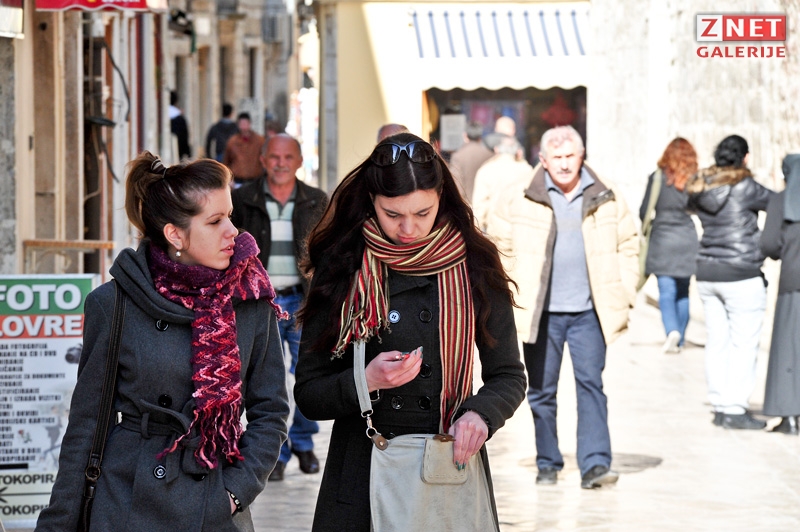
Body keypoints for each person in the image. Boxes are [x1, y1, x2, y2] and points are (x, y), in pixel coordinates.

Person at [35, 152, 289, 531]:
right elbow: (86, 423)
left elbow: (271, 411)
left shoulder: (249, 299)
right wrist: (57, 523)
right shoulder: (114, 303)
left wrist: (234, 493)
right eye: (215, 221)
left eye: (230, 216)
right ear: (175, 234)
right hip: (126, 499)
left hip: (214, 502)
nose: (233, 231)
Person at [293, 132, 526, 530]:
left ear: (441, 198)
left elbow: (508, 375)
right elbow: (309, 393)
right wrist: (366, 380)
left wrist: (480, 415)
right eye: (392, 214)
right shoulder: (342, 267)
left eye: (422, 212)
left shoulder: (475, 264)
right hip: (362, 473)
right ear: (372, 201)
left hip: (446, 469)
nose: (408, 228)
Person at [501, 125, 639, 489]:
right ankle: (548, 462)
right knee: (541, 391)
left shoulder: (606, 193)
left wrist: (623, 290)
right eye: (556, 157)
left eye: (570, 156)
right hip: (540, 312)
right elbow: (498, 244)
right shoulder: (519, 195)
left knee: (591, 385)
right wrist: (511, 292)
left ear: (582, 156)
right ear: (543, 160)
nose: (563, 164)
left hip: (589, 312)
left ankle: (595, 464)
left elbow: (629, 243)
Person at [231, 134, 328, 481]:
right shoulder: (243, 199)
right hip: (260, 302)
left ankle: (302, 441)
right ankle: (278, 452)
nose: (281, 163)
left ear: (300, 161)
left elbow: (328, 251)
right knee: (267, 382)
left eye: (288, 157)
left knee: (308, 374)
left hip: (303, 301)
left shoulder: (317, 200)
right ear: (263, 160)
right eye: (274, 156)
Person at [687, 134, 773, 430]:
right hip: (741, 272)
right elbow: (779, 204)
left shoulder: (701, 184)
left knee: (717, 341)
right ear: (745, 157)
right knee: (743, 343)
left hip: (707, 271)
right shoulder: (746, 186)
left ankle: (720, 405)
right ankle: (735, 408)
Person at [638, 138, 699, 354]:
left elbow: (644, 210)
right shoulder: (694, 180)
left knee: (666, 290)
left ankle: (672, 330)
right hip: (687, 238)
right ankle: (680, 338)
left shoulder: (657, 178)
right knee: (683, 291)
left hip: (662, 238)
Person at [760, 153, 800, 435]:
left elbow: (769, 245)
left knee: (788, 348)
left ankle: (789, 416)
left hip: (792, 281)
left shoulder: (781, 200)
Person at [472, 134, 534, 232]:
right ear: (517, 151)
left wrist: (476, 230)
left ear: (496, 150)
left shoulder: (486, 170)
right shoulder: (527, 170)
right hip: (521, 226)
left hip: (495, 229)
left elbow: (479, 206)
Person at [449, 120, 493, 202]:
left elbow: (457, 184)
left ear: (465, 136)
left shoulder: (458, 156)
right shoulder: (489, 155)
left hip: (467, 203)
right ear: (480, 137)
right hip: (486, 202)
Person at [223, 112, 266, 187]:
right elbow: (226, 161)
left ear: (249, 123)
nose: (243, 126)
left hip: (255, 181)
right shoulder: (232, 142)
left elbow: (265, 160)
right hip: (237, 181)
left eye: (245, 123)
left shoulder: (259, 141)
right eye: (241, 124)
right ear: (238, 125)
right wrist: (229, 179)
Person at [169, 90, 192, 161]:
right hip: (179, 150)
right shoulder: (180, 118)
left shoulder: (162, 115)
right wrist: (187, 151)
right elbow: (185, 135)